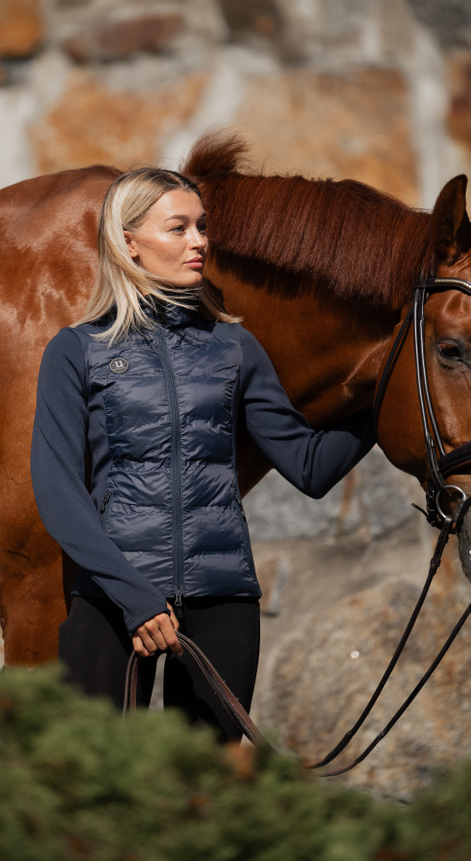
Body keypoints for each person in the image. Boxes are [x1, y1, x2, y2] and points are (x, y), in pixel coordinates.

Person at [30, 167, 374, 741]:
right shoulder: (77, 351)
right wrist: (136, 598)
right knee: (96, 791)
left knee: (204, 795)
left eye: (202, 226)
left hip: (223, 601)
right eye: (179, 228)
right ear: (129, 242)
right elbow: (58, 492)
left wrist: (379, 399)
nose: (200, 241)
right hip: (114, 602)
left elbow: (309, 467)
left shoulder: (232, 346)